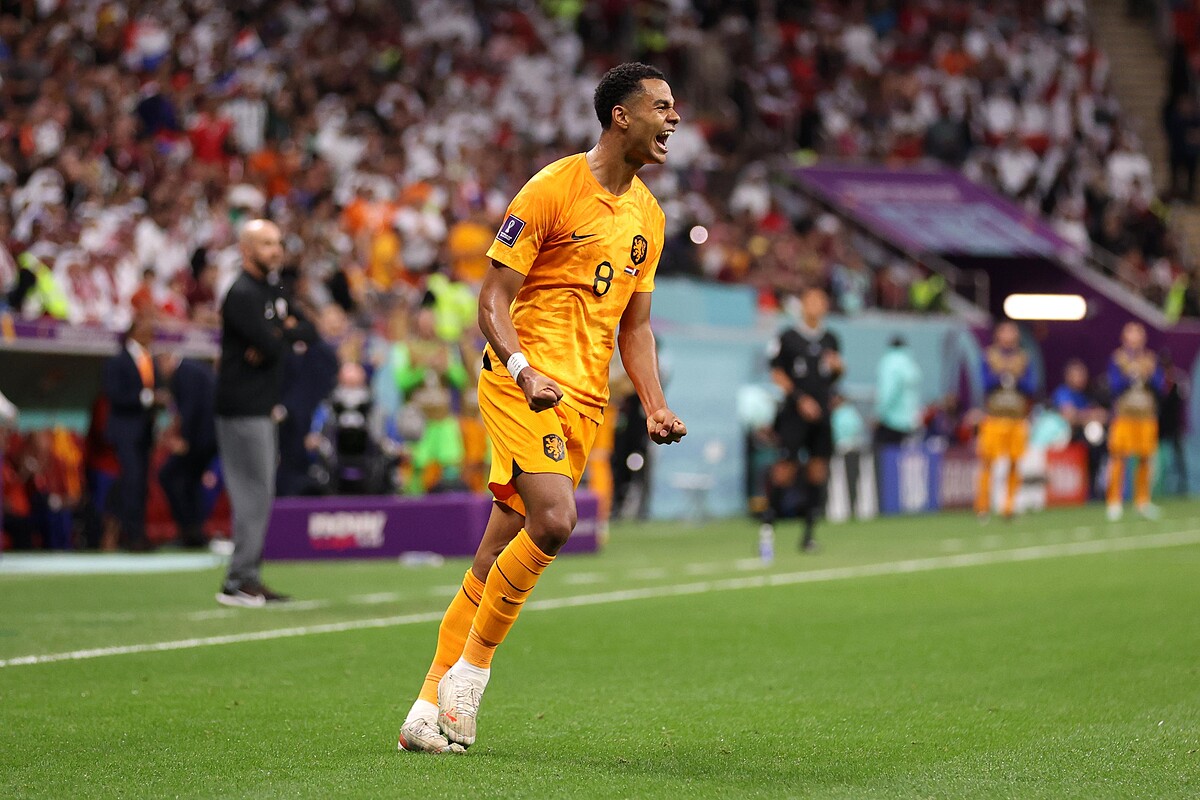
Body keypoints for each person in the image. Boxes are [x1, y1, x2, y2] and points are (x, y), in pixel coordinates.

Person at [397, 62, 686, 754]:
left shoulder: (650, 217)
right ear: (620, 115)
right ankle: (471, 677)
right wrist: (523, 369)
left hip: (584, 398)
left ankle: (423, 712)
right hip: (521, 378)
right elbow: (491, 300)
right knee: (555, 521)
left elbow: (636, 328)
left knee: (498, 549)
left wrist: (654, 404)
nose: (674, 118)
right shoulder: (551, 188)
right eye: (662, 106)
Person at [214, 219, 316, 607]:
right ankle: (239, 580)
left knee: (260, 493)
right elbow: (272, 345)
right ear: (246, 250)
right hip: (242, 406)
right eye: (266, 244)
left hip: (259, 406)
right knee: (252, 494)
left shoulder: (272, 290)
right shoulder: (241, 293)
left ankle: (248, 576)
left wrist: (278, 333)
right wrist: (279, 335)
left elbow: (308, 331)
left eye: (277, 243)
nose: (275, 251)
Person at [762, 285, 843, 553]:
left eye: (821, 301)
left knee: (818, 470)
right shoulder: (788, 337)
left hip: (822, 414)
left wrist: (838, 370)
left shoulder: (831, 339)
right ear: (803, 305)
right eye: (812, 301)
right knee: (785, 469)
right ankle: (767, 529)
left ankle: (808, 535)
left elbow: (833, 375)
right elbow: (777, 373)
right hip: (794, 415)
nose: (817, 306)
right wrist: (800, 399)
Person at [101, 313, 161, 551]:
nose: (151, 334)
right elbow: (114, 393)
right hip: (125, 430)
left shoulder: (150, 360)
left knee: (142, 484)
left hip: (145, 431)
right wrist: (147, 398)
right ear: (134, 332)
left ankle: (139, 533)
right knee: (131, 480)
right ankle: (128, 534)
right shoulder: (118, 361)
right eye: (146, 329)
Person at [157, 354, 218, 548]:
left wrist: (185, 439)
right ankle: (193, 533)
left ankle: (190, 530)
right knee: (190, 482)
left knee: (169, 475)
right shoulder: (193, 369)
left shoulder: (185, 373)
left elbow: (191, 408)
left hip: (200, 440)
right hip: (207, 438)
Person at [1105, 322, 1165, 520]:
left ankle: (1142, 501)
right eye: (1131, 335)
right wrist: (1130, 376)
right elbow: (1113, 387)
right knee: (1118, 457)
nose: (1134, 339)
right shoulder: (1118, 358)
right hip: (1125, 415)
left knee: (1145, 458)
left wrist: (1149, 375)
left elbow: (1160, 387)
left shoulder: (1150, 359)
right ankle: (1114, 501)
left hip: (1146, 415)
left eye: (1138, 335)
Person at [976, 321, 1034, 520]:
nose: (1008, 336)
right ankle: (983, 506)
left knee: (1015, 462)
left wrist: (1016, 380)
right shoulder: (989, 356)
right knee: (987, 461)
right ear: (998, 335)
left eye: (1012, 332)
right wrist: (1002, 377)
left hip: (1016, 417)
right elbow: (984, 383)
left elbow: (1031, 386)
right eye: (1005, 331)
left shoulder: (1024, 358)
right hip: (994, 417)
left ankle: (1009, 505)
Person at [1050, 359, 1107, 499]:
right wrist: (1090, 416)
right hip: (1066, 438)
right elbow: (1069, 416)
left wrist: (1093, 415)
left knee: (1101, 445)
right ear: (1068, 376)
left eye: (1083, 374)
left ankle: (1098, 490)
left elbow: (1103, 415)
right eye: (1077, 375)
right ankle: (1088, 492)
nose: (1081, 378)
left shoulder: (1088, 394)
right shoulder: (1063, 393)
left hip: (1086, 437)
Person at [873, 335, 922, 446]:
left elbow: (887, 392)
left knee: (883, 452)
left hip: (891, 421)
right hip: (910, 421)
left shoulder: (889, 362)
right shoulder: (910, 363)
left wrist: (879, 414)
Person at [1157, 349, 1189, 496]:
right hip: (1160, 426)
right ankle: (1157, 490)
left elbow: (1183, 397)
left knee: (1179, 458)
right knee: (1158, 460)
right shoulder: (1157, 381)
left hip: (1174, 425)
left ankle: (1183, 488)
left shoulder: (1178, 379)